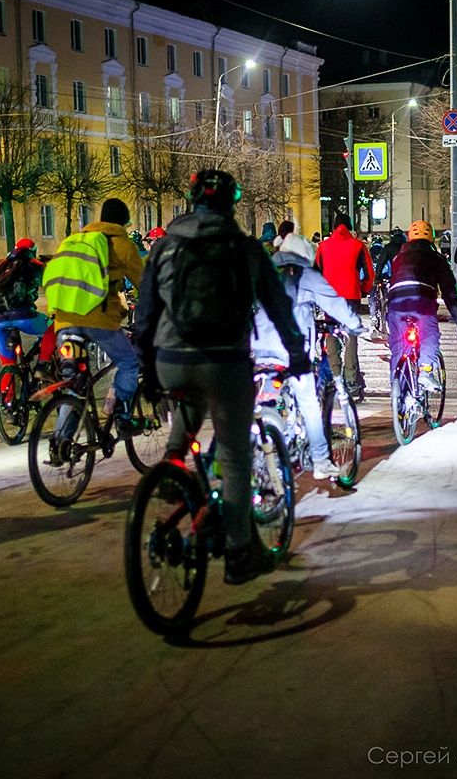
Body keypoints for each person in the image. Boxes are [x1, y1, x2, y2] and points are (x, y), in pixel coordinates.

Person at [134, 169, 309, 586]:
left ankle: (172, 470)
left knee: (189, 404)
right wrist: (298, 352)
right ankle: (238, 552)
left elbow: (144, 313)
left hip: (171, 359)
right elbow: (277, 305)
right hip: (224, 362)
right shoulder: (243, 247)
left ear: (192, 201)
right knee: (233, 458)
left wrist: (147, 367)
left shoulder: (165, 245)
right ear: (232, 203)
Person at [251, 233, 365, 480]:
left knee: (264, 398)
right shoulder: (307, 275)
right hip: (291, 349)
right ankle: (321, 460)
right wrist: (355, 325)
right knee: (309, 402)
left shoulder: (265, 273)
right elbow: (335, 304)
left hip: (260, 346)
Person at [52, 198, 145, 433]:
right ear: (124, 222)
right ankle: (122, 414)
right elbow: (147, 285)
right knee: (129, 362)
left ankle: (61, 441)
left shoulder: (74, 241)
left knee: (75, 381)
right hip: (98, 321)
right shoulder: (123, 245)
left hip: (64, 321)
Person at [386, 220, 457, 388]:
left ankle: (398, 390)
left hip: (395, 302)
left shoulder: (398, 257)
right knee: (429, 334)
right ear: (432, 238)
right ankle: (426, 371)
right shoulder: (436, 258)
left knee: (398, 347)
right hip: (421, 300)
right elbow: (449, 290)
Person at [316, 212, 373, 400]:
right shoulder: (358, 246)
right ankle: (351, 380)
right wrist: (364, 289)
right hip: (350, 297)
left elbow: (315, 272)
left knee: (331, 335)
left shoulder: (323, 247)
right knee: (350, 337)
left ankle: (335, 374)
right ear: (349, 227)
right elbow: (369, 272)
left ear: (333, 227)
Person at [0, 238, 55, 382]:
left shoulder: (2, 265)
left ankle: (7, 402)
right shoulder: (35, 265)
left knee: (8, 365)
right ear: (33, 251)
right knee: (53, 327)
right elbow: (52, 287)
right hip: (23, 316)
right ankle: (42, 366)